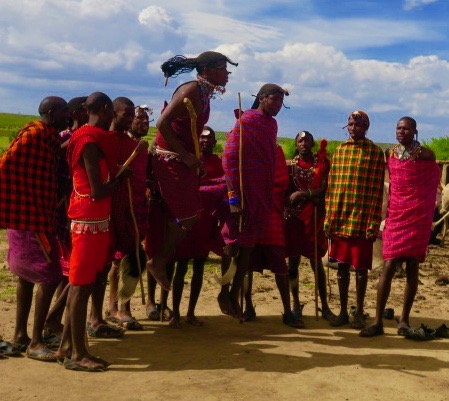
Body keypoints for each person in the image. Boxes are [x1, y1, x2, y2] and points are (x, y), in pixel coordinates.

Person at [149, 51, 237, 292]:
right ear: (208, 70)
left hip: (184, 160)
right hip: (169, 159)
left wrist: (194, 159)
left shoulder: (204, 93)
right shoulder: (191, 90)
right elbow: (161, 124)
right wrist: (186, 156)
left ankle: (162, 258)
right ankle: (158, 261)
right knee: (188, 216)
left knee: (189, 214)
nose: (227, 73)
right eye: (223, 68)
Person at [55, 92, 130, 372]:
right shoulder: (89, 140)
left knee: (83, 284)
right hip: (87, 219)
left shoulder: (88, 136)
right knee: (80, 286)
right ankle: (78, 354)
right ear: (106, 109)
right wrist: (120, 178)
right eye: (113, 111)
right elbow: (97, 191)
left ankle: (66, 347)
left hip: (93, 220)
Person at [0, 96, 69, 360]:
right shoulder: (35, 136)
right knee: (49, 276)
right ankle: (36, 342)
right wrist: (20, 199)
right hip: (30, 220)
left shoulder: (46, 137)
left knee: (26, 278)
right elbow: (7, 167)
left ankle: (20, 335)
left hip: (29, 218)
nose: (67, 116)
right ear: (51, 112)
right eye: (63, 111)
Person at [360, 117, 440, 337]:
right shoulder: (390, 154)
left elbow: (431, 184)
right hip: (396, 216)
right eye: (398, 128)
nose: (401, 131)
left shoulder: (426, 155)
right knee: (389, 265)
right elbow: (392, 183)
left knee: (413, 267)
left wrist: (423, 211)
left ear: (415, 131)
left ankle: (404, 319)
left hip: (417, 219)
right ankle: (377, 322)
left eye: (405, 128)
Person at [221, 83, 288, 320]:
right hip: (241, 194)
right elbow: (229, 159)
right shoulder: (246, 121)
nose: (278, 106)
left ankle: (234, 294)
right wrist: (233, 197)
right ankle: (223, 291)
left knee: (248, 246)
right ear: (261, 98)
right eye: (274, 100)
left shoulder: (271, 124)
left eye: (281, 103)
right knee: (231, 242)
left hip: (261, 195)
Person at [324, 110, 385, 329]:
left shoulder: (376, 153)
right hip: (340, 218)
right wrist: (328, 218)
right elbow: (331, 187)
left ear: (366, 127)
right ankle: (342, 311)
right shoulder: (339, 151)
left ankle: (358, 312)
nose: (353, 128)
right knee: (341, 269)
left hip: (363, 219)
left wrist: (373, 223)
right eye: (350, 124)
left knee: (360, 270)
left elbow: (378, 191)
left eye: (358, 125)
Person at [169, 126, 228, 327]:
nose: (205, 142)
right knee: (181, 266)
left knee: (199, 268)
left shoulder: (219, 164)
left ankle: (191, 312)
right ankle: (175, 313)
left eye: (209, 139)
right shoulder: (188, 160)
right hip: (187, 221)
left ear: (214, 142)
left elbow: (224, 188)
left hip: (206, 222)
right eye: (202, 138)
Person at [43, 96, 88, 344]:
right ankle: (53, 319)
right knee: (72, 270)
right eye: (83, 110)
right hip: (67, 212)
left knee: (71, 271)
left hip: (74, 210)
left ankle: (58, 321)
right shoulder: (64, 138)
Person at [243, 144, 304, 328]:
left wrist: (260, 189)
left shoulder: (275, 150)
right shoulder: (244, 146)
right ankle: (248, 307)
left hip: (271, 212)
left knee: (280, 264)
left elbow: (281, 180)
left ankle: (287, 312)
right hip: (250, 212)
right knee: (246, 264)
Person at [107, 103, 151, 330]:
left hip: (139, 208)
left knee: (129, 256)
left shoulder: (143, 148)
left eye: (147, 120)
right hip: (120, 206)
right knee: (121, 257)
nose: (144, 123)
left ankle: (118, 306)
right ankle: (119, 308)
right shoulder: (120, 143)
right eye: (139, 119)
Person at [284, 131, 336, 322]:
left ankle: (325, 306)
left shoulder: (322, 164)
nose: (304, 143)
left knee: (316, 264)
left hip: (314, 217)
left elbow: (326, 187)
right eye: (300, 140)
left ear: (313, 143)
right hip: (295, 219)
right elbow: (285, 190)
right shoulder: (290, 167)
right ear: (295, 144)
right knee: (293, 264)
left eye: (307, 140)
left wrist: (305, 194)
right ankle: (296, 304)